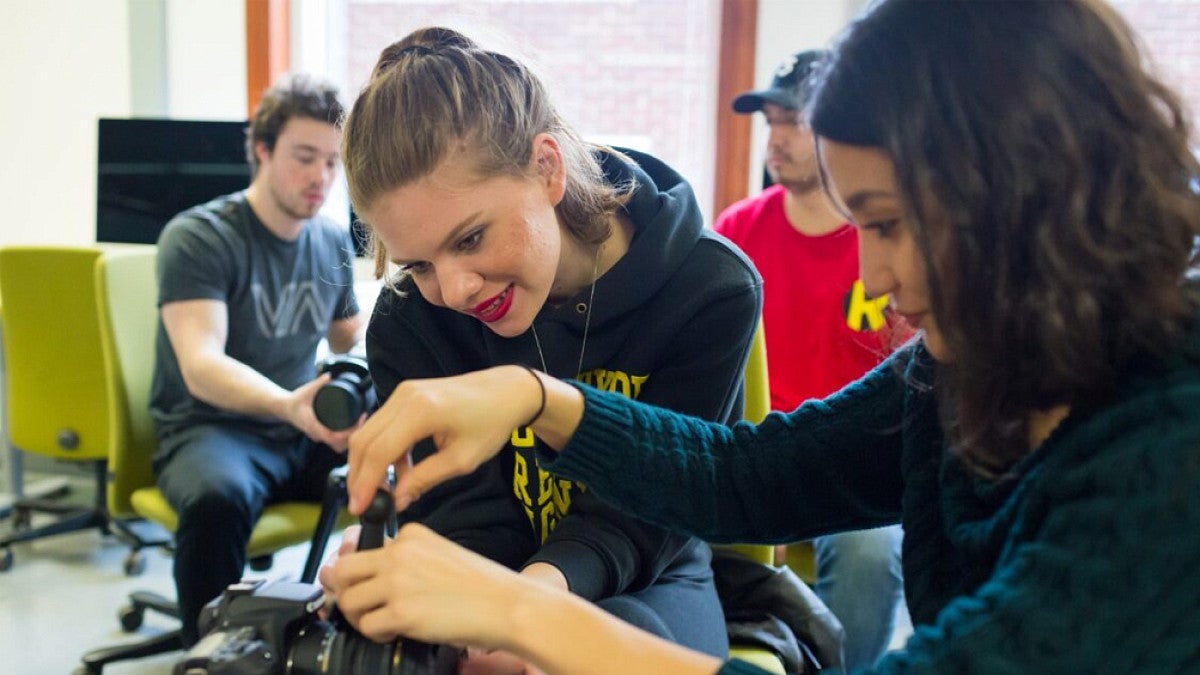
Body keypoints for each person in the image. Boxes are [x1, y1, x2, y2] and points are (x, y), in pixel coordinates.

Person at [327, 0, 1200, 672]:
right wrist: (536, 395)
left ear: (1025, 196)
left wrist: (523, 613)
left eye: (890, 224)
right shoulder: (968, 371)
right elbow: (743, 476)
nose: (872, 278)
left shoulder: (1171, 442)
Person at [336, 27, 762, 672]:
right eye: (419, 263)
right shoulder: (409, 320)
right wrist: (476, 625)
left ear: (547, 167)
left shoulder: (710, 289)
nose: (453, 289)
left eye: (472, 238)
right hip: (486, 571)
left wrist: (533, 605)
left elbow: (654, 511)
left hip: (651, 568)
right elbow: (463, 513)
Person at [150, 73, 366, 646]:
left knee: (395, 462)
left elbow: (352, 339)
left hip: (297, 427)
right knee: (219, 497)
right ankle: (210, 648)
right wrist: (289, 405)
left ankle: (355, 630)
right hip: (211, 428)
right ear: (263, 150)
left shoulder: (330, 241)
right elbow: (201, 365)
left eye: (331, 163)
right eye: (304, 157)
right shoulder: (199, 237)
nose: (320, 177)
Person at [715, 48, 905, 671]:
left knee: (870, 553)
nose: (778, 140)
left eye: (793, 123)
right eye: (770, 124)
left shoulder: (885, 239)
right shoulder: (736, 231)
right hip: (761, 450)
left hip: (856, 463)